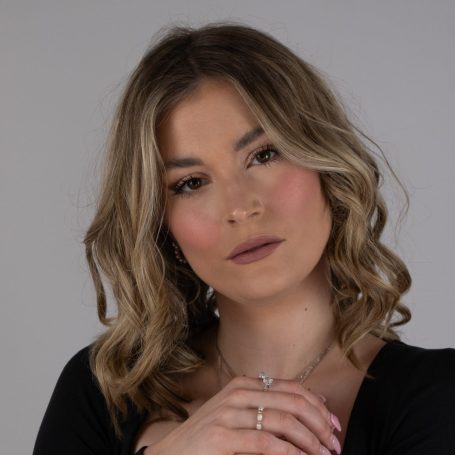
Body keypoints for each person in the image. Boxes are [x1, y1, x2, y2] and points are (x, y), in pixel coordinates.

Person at [33, 22, 455, 455]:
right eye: (191, 183)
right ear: (161, 224)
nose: (239, 207)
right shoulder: (101, 391)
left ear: (327, 165)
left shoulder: (437, 395)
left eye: (264, 155)